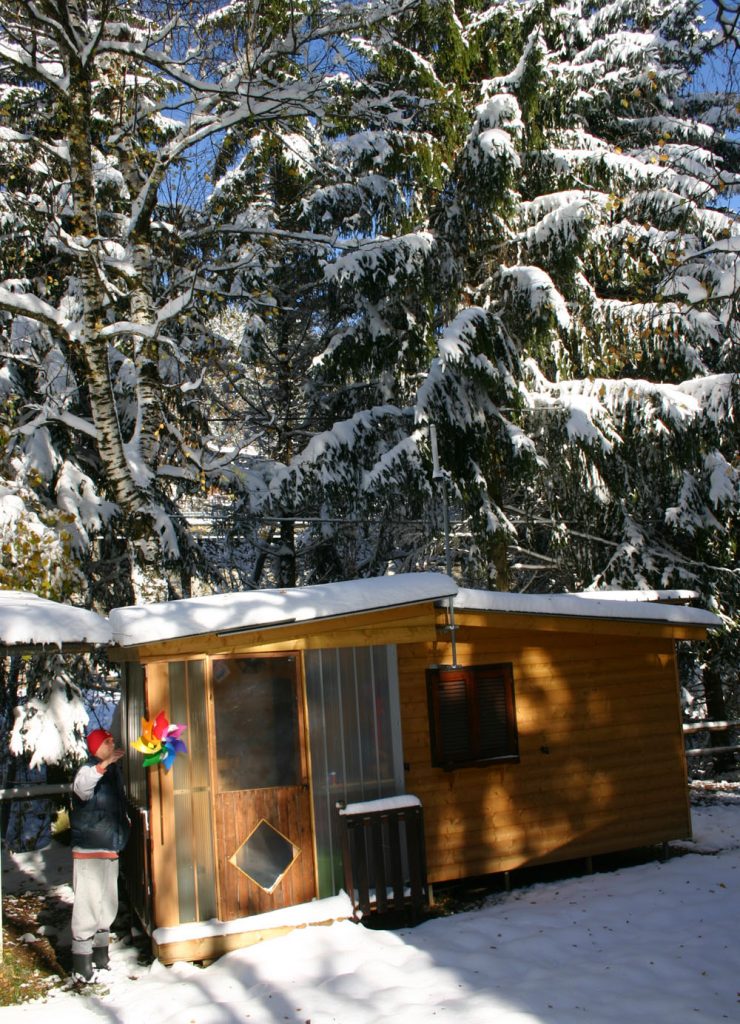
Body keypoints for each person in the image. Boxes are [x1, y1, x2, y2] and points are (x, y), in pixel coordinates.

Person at [69, 728, 130, 982]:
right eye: (107, 742)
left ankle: (101, 955)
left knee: (107, 904)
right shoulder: (87, 770)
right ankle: (81, 962)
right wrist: (103, 765)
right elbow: (82, 789)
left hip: (110, 847)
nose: (112, 744)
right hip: (89, 850)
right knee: (87, 906)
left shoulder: (113, 773)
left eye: (112, 741)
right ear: (96, 747)